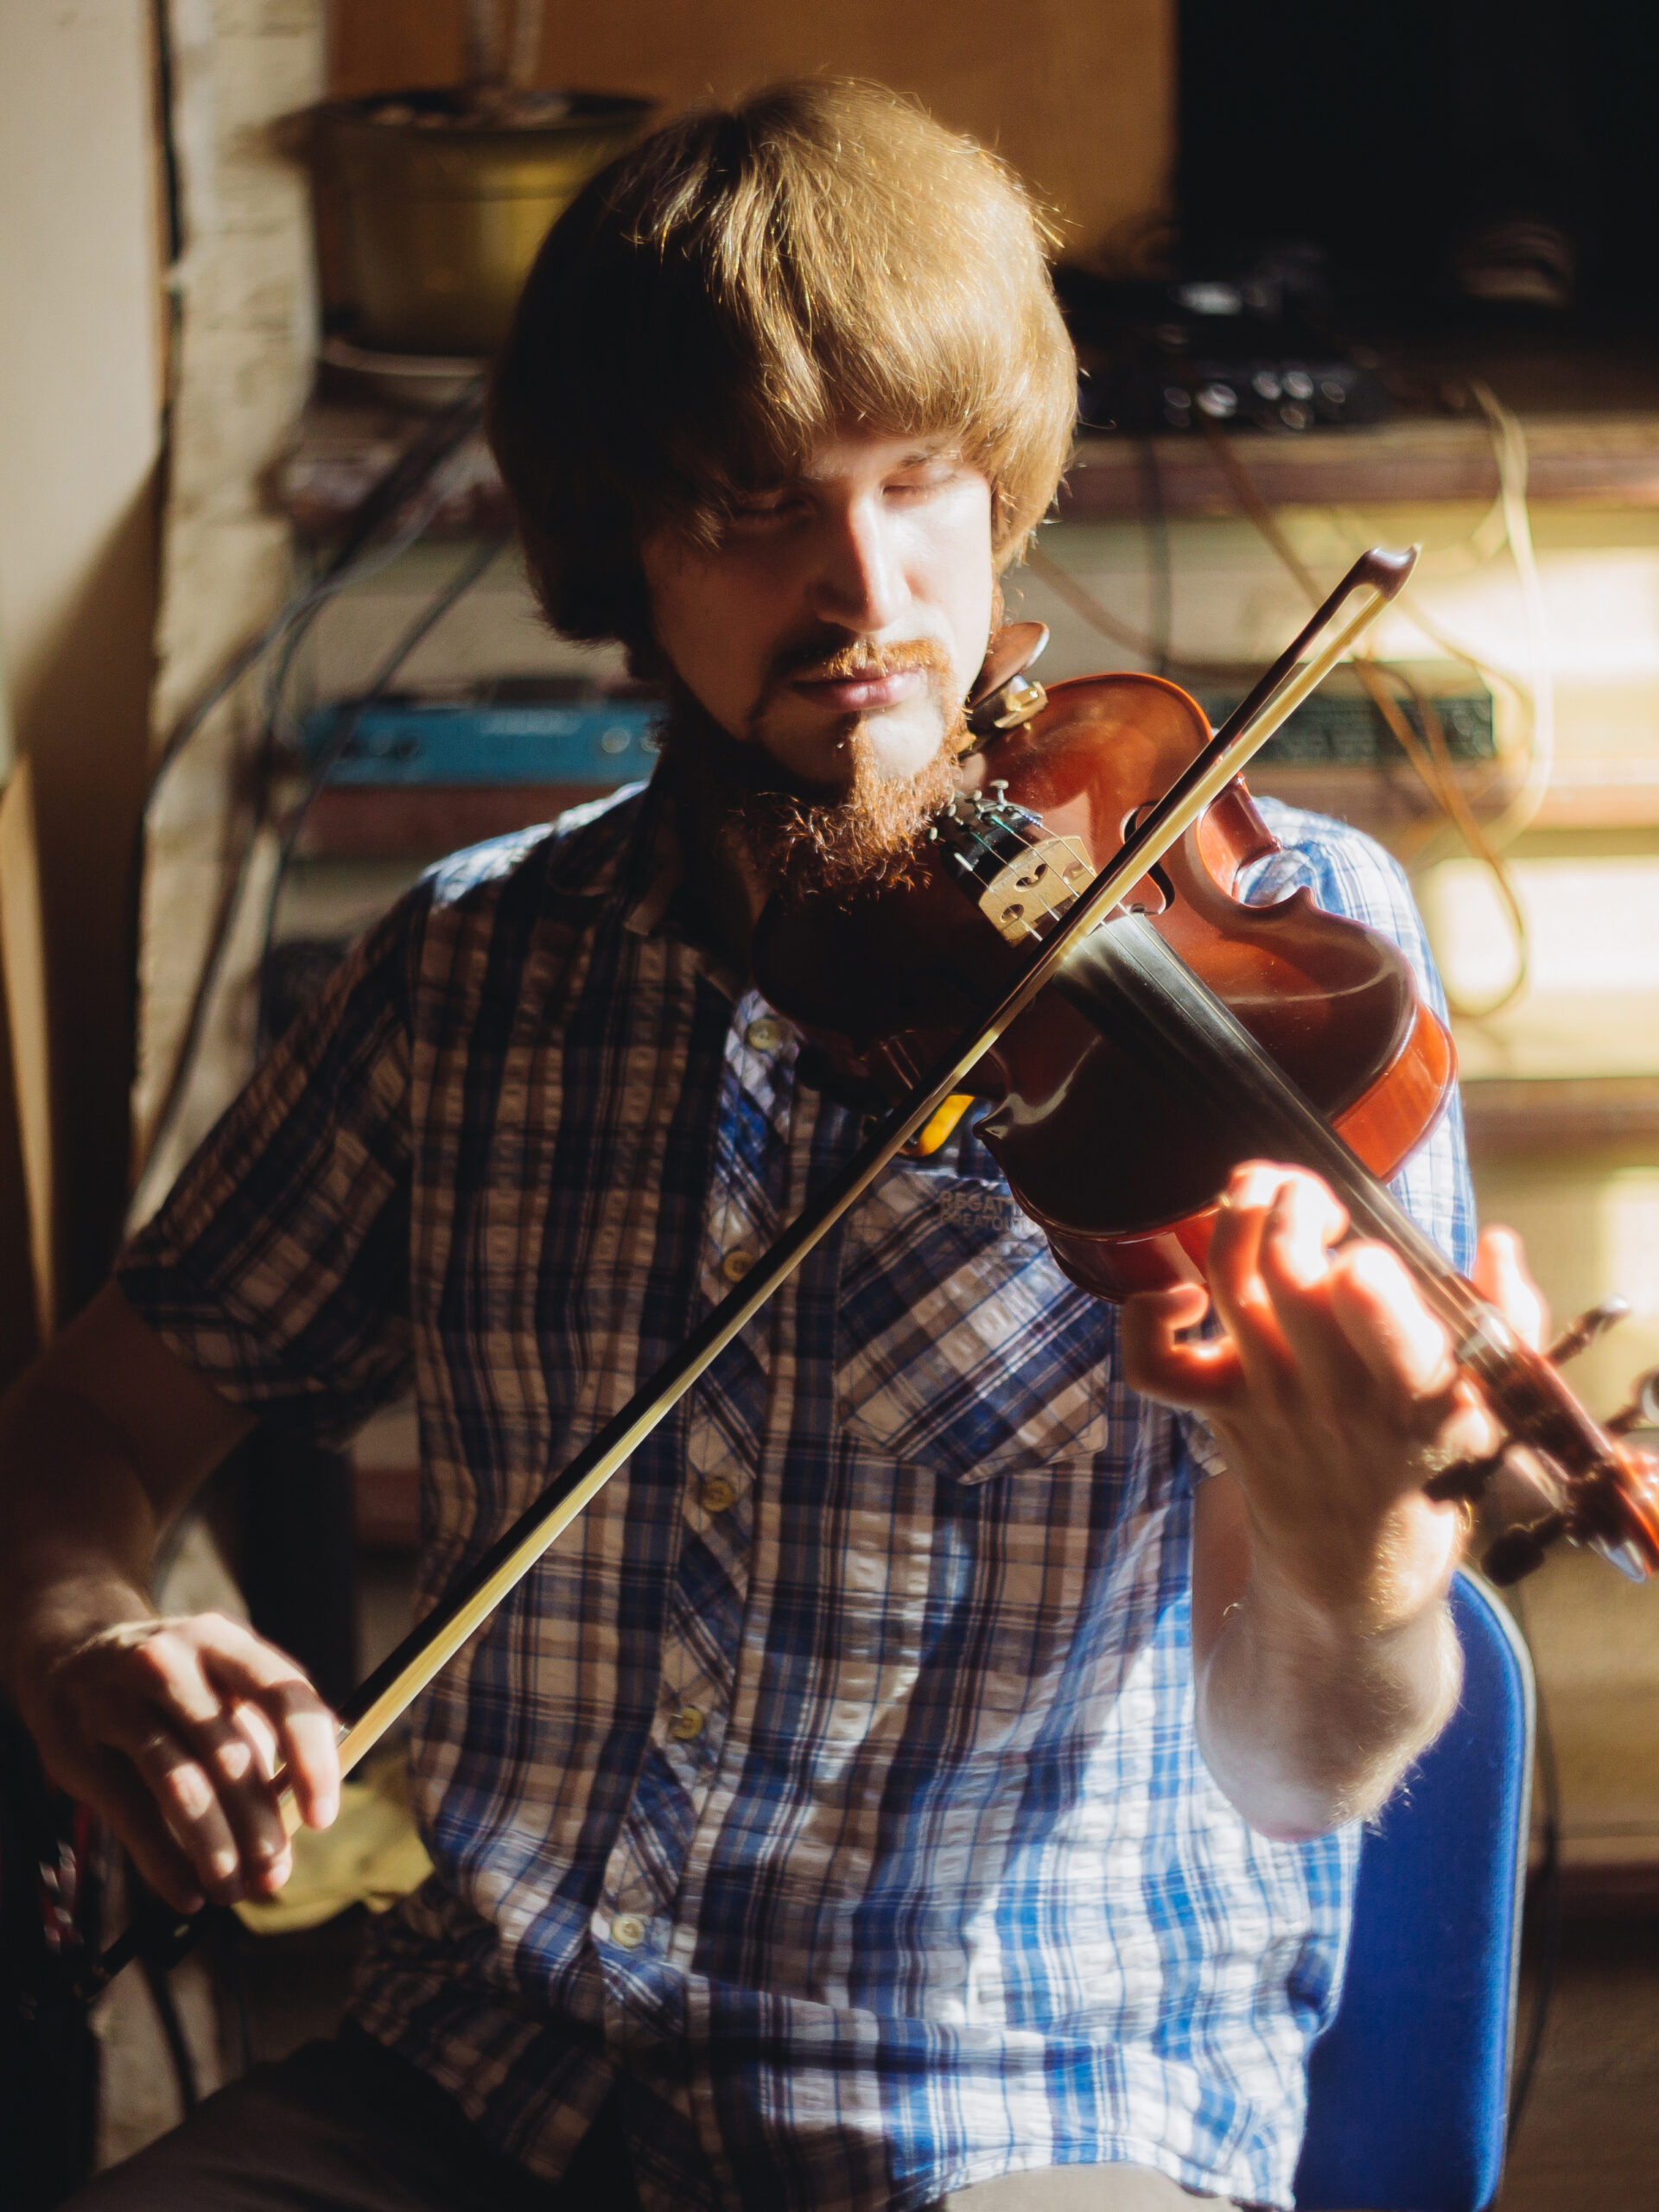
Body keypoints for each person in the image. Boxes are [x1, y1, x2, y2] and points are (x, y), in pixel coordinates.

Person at [0, 79, 1541, 2212]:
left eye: (924, 481)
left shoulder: (1280, 962)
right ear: (618, 548)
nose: (865, 585)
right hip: (483, 2085)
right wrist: (93, 1626)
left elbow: (1307, 1765)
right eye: (751, 506)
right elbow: (84, 1420)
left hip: (1030, 2115)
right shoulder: (471, 976)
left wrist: (1362, 1540)